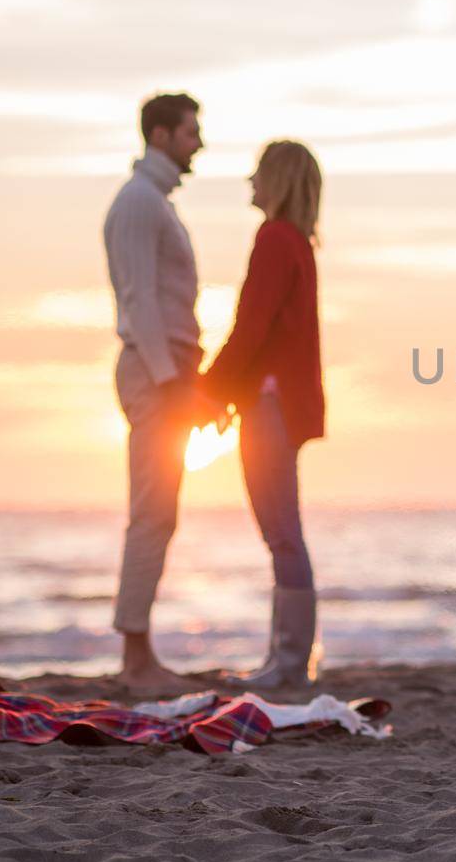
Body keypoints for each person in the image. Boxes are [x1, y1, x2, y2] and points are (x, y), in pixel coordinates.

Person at [199, 140, 327, 689]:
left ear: (275, 181)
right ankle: (286, 659)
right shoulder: (296, 241)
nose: (250, 181)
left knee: (281, 531)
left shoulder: (276, 239)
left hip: (271, 404)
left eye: (258, 173)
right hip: (282, 401)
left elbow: (251, 326)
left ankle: (290, 664)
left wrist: (206, 391)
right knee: (281, 530)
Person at [103, 92, 215, 693]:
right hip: (155, 373)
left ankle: (139, 650)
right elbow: (140, 301)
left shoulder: (154, 201)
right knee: (151, 513)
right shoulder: (139, 203)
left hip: (167, 370)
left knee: (160, 513)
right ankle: (136, 658)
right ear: (163, 134)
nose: (199, 142)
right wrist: (174, 385)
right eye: (192, 132)